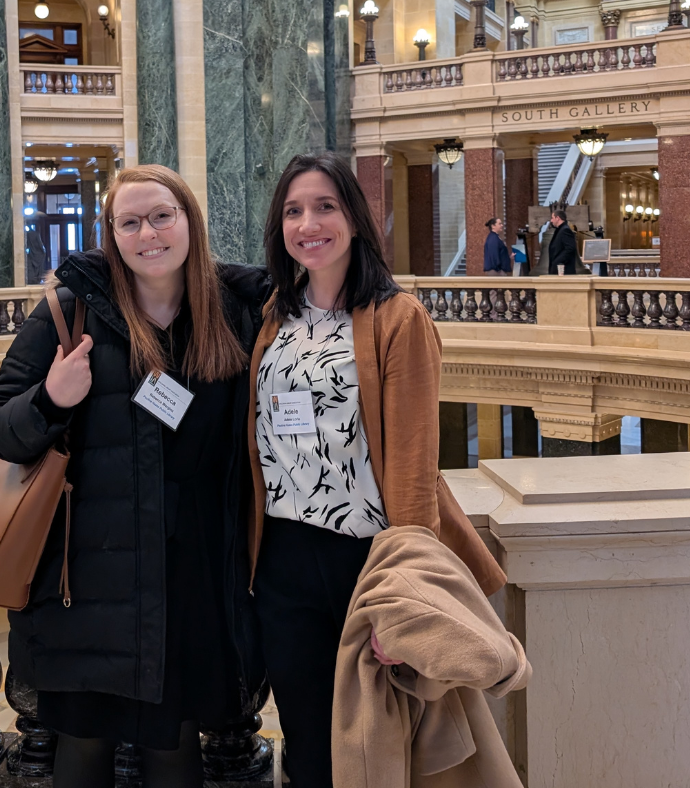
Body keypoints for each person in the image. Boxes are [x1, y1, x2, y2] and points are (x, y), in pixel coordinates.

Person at [0, 165, 269, 788]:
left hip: (190, 580)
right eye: (129, 222)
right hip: (92, 580)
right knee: (84, 745)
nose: (148, 234)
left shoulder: (234, 314)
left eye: (162, 216)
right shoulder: (70, 312)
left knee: (174, 746)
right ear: (111, 234)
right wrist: (52, 399)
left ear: (189, 220)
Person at [246, 152, 506, 788]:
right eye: (293, 211)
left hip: (365, 559)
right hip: (282, 555)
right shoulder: (276, 313)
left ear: (356, 219)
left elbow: (414, 467)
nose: (309, 224)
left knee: (374, 746)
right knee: (306, 740)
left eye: (325, 207)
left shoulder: (398, 317)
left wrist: (405, 597)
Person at [548, 208, 579, 275]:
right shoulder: (560, 230)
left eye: (552, 218)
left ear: (557, 218)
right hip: (559, 269)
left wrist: (558, 261)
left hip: (563, 270)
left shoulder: (565, 230)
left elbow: (570, 248)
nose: (551, 220)